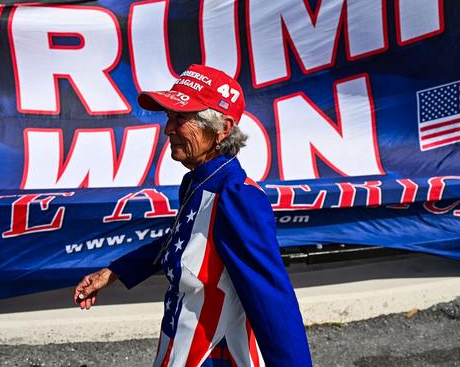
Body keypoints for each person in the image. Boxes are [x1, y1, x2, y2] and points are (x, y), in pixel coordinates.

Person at [74, 64, 313, 366]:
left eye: (181, 119)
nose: (168, 129)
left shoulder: (238, 197)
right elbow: (183, 241)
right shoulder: (197, 181)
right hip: (178, 346)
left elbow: (271, 297)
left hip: (215, 356)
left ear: (222, 129)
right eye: (169, 118)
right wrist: (113, 272)